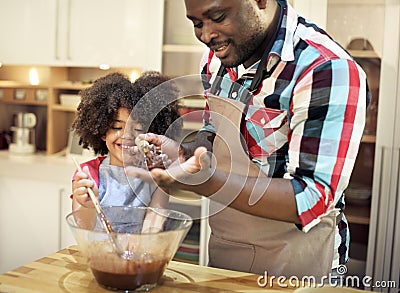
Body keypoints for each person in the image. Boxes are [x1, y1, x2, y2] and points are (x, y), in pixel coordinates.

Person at [126, 0, 368, 278]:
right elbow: (213, 132)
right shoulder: (217, 56)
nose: (206, 36)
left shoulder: (326, 69)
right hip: (226, 256)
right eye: (196, 23)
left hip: (297, 265)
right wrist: (186, 154)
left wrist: (205, 181)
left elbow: (312, 197)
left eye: (217, 17)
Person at [71, 71, 181, 231]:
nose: (127, 135)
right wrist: (86, 204)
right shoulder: (89, 174)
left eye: (137, 128)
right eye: (117, 127)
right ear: (102, 131)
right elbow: (84, 226)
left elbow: (153, 225)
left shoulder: (156, 175)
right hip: (98, 252)